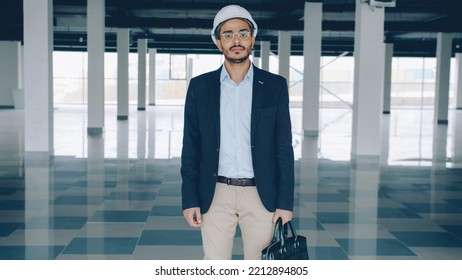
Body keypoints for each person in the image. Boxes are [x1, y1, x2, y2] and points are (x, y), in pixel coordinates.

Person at [181, 4, 294, 260]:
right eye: (228, 34)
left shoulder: (275, 86)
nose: (236, 41)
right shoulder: (200, 87)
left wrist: (285, 203)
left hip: (261, 194)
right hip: (215, 193)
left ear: (252, 39)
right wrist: (190, 199)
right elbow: (191, 146)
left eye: (243, 33)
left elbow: (283, 148)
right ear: (218, 42)